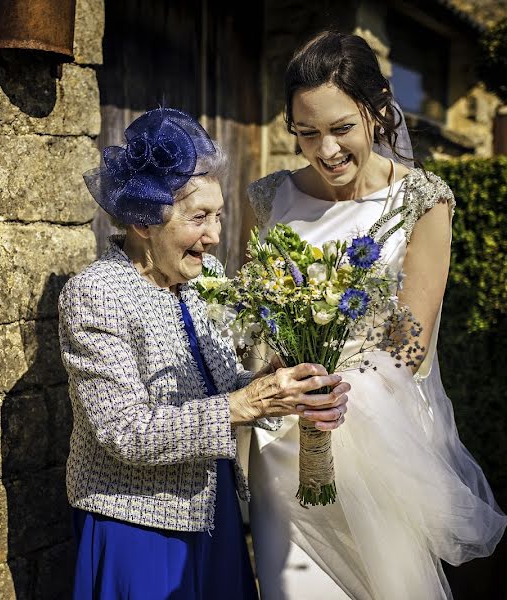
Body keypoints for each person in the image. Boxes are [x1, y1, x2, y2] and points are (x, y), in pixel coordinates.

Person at [245, 31, 507, 599]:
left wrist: (335, 398)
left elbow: (412, 345)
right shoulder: (271, 198)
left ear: (379, 109)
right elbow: (257, 316)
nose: (326, 150)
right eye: (307, 132)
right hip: (283, 446)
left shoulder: (423, 201)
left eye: (341, 128)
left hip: (376, 440)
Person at [59, 107, 351, 600]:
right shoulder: (96, 293)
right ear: (143, 220)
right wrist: (245, 405)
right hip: (139, 526)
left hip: (213, 511)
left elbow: (223, 386)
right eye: (199, 218)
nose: (215, 236)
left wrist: (273, 383)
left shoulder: (200, 283)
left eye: (218, 216)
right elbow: (123, 432)